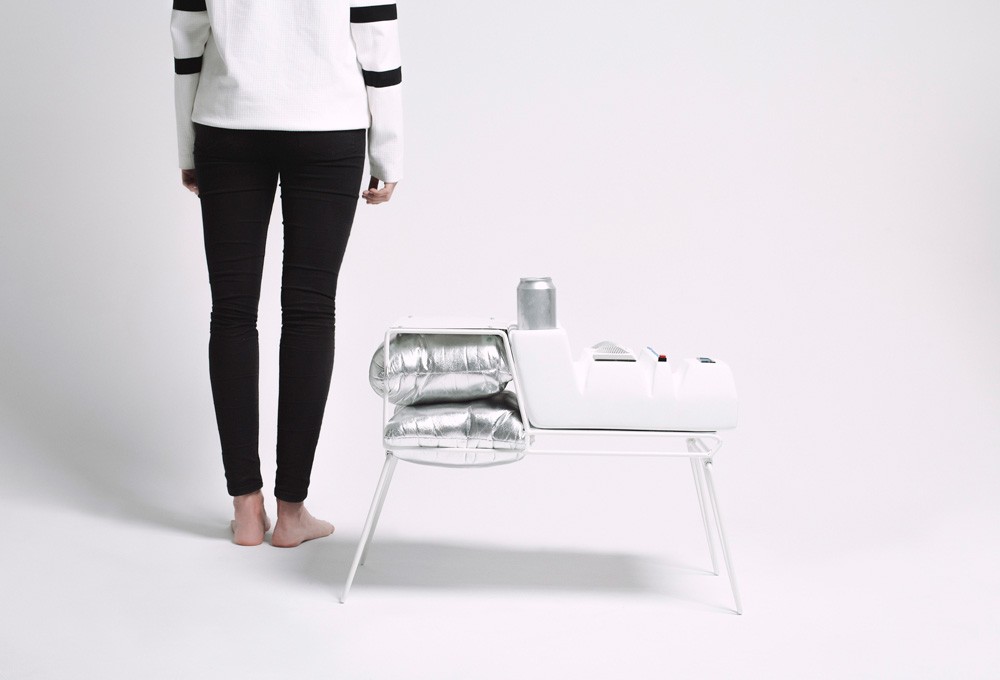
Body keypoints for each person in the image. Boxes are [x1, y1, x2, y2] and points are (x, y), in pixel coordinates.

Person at [170, 0, 403, 547]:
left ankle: (246, 509)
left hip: (227, 123)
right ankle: (291, 513)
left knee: (231, 312)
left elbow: (187, 35)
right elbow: (376, 39)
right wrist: (388, 153)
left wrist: (187, 146)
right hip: (328, 125)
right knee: (310, 311)